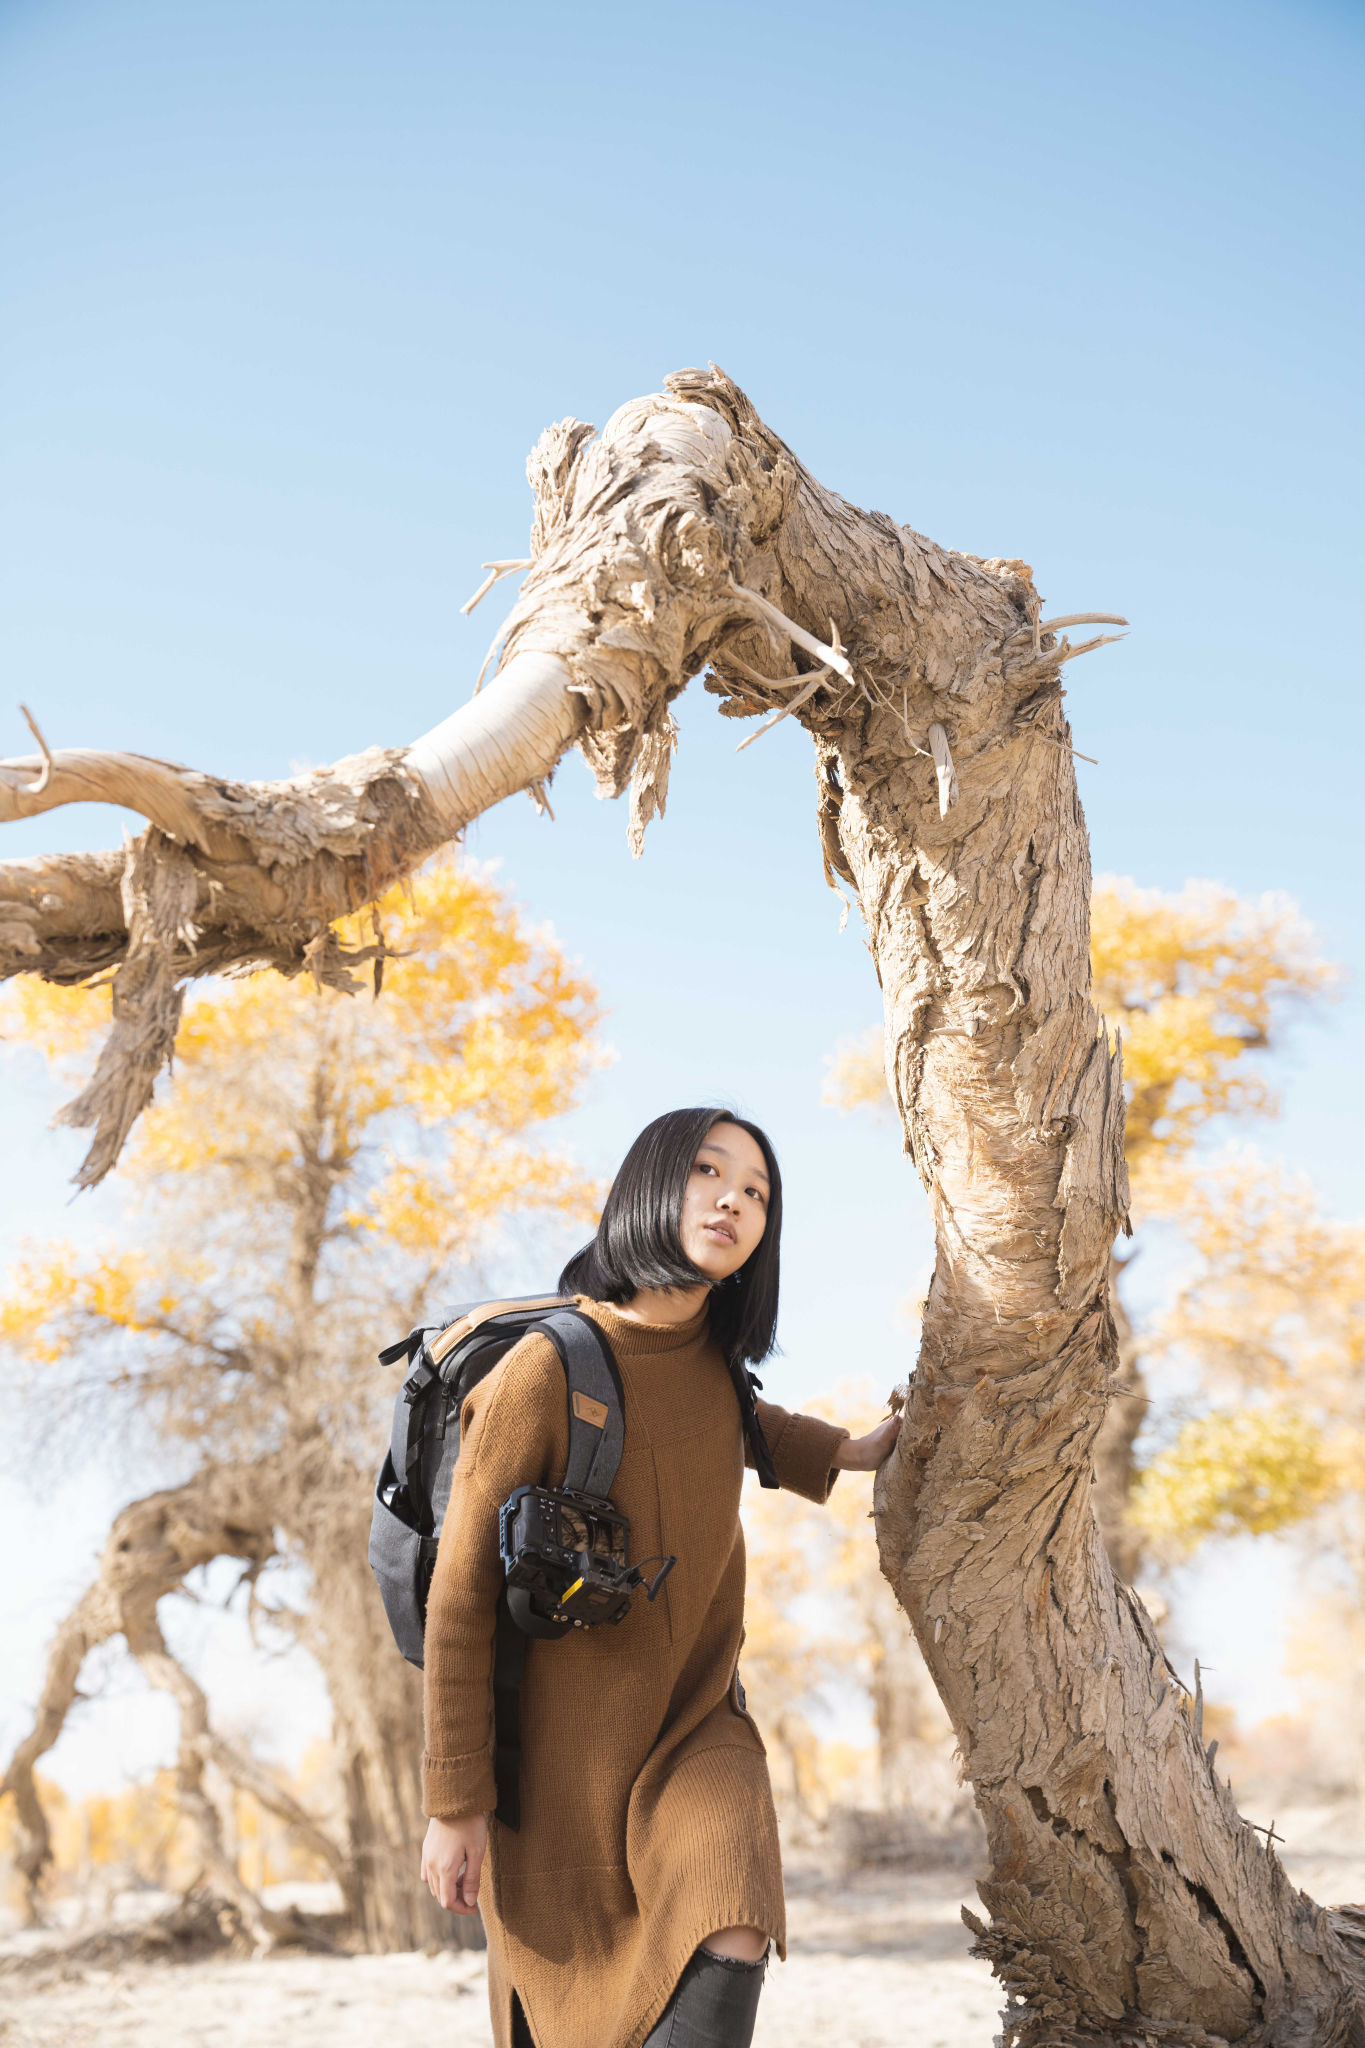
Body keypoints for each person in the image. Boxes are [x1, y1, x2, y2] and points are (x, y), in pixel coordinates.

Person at [419, 1106, 900, 2048]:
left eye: (756, 1192)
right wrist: (455, 1802)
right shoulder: (541, 1372)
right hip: (558, 1767)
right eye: (708, 1174)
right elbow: (459, 1601)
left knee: (733, 1895)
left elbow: (749, 1423)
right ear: (647, 1187)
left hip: (695, 1725)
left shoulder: (715, 1364)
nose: (733, 1200)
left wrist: (851, 1449)